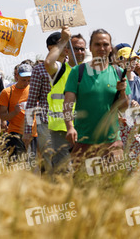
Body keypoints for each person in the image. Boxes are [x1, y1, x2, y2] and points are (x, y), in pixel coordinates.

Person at [63, 29, 131, 165]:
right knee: (82, 186)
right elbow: (67, 104)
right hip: (83, 143)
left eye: (105, 44)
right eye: (97, 44)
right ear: (91, 47)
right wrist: (70, 127)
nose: (102, 48)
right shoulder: (78, 71)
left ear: (111, 47)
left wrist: (122, 92)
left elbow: (124, 108)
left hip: (112, 144)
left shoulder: (118, 73)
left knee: (115, 185)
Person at [43, 27, 86, 173]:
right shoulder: (60, 70)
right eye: (75, 49)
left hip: (84, 127)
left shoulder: (90, 72)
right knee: (63, 171)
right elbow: (48, 63)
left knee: (83, 171)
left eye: (82, 49)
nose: (79, 52)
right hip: (61, 129)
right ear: (67, 51)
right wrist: (63, 40)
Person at [24, 33, 62, 174]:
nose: (65, 47)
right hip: (46, 124)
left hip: (68, 122)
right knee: (49, 163)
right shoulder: (39, 70)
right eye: (61, 43)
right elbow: (32, 101)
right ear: (50, 47)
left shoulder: (72, 67)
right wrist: (28, 131)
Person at [0, 64, 37, 157]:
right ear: (17, 76)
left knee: (34, 165)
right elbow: (2, 116)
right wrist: (14, 112)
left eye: (29, 80)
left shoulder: (34, 90)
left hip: (33, 133)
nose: (26, 83)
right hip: (15, 133)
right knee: (18, 165)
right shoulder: (7, 92)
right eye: (24, 80)